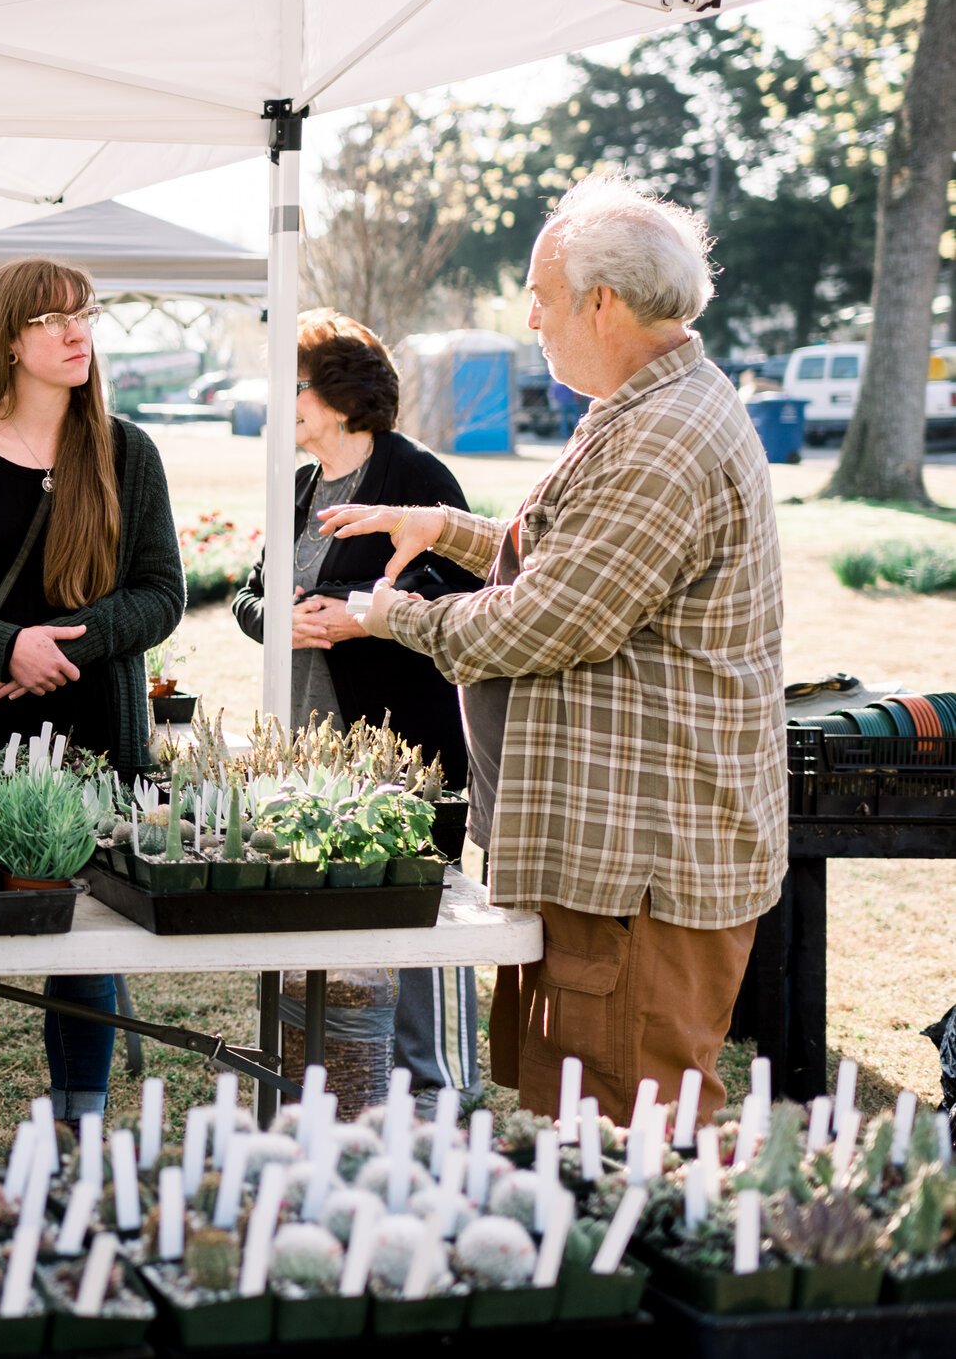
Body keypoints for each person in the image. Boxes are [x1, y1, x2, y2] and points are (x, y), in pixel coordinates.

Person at [334, 172, 784, 1125]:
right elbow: (579, 554)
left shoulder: (663, 435)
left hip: (643, 868)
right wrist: (444, 526)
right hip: (621, 860)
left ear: (603, 301)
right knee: (586, 1110)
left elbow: (550, 620)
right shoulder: (647, 406)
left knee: (632, 1125)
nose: (531, 319)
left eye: (539, 298)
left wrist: (387, 617)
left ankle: (652, 1277)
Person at [0, 257, 184, 1138]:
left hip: (95, 731)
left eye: (86, 313)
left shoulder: (129, 452)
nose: (76, 331)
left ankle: (78, 1133)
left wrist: (61, 650)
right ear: (7, 340)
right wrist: (1, 642)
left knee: (85, 947)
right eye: (51, 318)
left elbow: (161, 592)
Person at [230, 310, 486, 1111]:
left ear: (338, 396)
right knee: (325, 903)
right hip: (309, 741)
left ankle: (436, 1087)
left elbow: (469, 599)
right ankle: (338, 1079)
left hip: (403, 740)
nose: (282, 400)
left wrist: (352, 610)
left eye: (294, 385)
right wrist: (281, 619)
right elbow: (249, 595)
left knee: (420, 907)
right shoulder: (298, 486)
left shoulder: (416, 479)